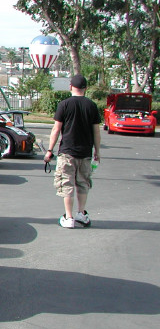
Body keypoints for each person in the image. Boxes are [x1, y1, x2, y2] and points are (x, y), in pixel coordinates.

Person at [43, 74, 101, 228]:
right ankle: (81, 214)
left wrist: (49, 150)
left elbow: (56, 129)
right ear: (85, 88)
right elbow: (96, 131)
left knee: (66, 184)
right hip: (85, 152)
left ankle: (68, 217)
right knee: (83, 183)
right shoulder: (91, 106)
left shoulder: (64, 104)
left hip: (67, 152)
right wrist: (97, 151)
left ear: (70, 87)